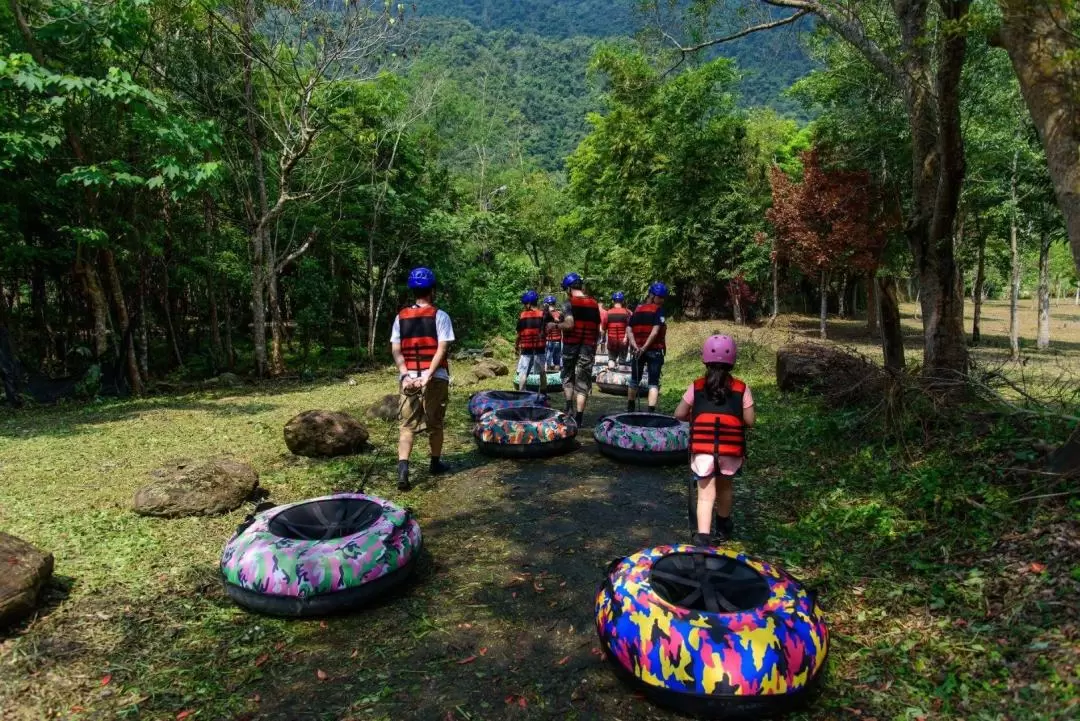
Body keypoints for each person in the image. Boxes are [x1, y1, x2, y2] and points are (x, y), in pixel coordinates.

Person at [673, 335, 755, 545]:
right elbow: (750, 420)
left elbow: (679, 414)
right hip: (730, 450)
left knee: (705, 494)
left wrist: (696, 415)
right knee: (725, 487)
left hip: (702, 451)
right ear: (732, 361)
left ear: (705, 359)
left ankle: (703, 536)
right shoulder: (742, 388)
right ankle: (723, 526)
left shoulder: (697, 386)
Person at [390, 267, 455, 491]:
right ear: (432, 290)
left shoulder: (401, 317)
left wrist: (406, 375)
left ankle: (403, 471)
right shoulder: (441, 315)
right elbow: (442, 348)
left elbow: (396, 350)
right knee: (435, 424)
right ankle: (435, 464)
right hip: (435, 378)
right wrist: (428, 375)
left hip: (409, 379)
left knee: (406, 426)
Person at [548, 272, 600, 427]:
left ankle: (568, 407)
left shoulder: (568, 303)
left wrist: (555, 325)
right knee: (583, 381)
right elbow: (597, 328)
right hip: (588, 347)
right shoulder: (594, 303)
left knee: (568, 376)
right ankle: (579, 417)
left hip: (571, 346)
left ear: (569, 288)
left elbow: (569, 325)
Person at [627, 281, 668, 413]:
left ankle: (630, 409)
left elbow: (629, 329)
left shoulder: (637, 309)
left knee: (634, 380)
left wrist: (634, 345)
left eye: (663, 298)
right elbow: (655, 331)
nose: (661, 300)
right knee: (653, 383)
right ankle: (650, 412)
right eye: (659, 297)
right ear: (652, 295)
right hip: (653, 351)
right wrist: (643, 348)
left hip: (638, 350)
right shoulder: (659, 310)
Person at [515, 290, 549, 393]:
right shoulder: (542, 314)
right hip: (540, 347)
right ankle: (543, 393)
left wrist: (516, 346)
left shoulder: (522, 315)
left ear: (529, 304)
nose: (525, 306)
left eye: (525, 304)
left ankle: (521, 392)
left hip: (526, 348)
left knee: (523, 372)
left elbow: (518, 334)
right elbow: (547, 330)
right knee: (542, 372)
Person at [605, 292, 631, 368]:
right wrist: (626, 337)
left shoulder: (608, 313)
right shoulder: (627, 312)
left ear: (613, 301)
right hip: (623, 341)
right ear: (623, 301)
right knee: (622, 362)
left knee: (611, 360)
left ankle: (611, 376)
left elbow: (603, 327)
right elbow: (629, 327)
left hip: (611, 341)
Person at [543, 295, 562, 371]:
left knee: (546, 361)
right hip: (558, 340)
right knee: (557, 362)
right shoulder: (559, 314)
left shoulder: (544, 314)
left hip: (548, 340)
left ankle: (546, 377)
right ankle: (557, 378)